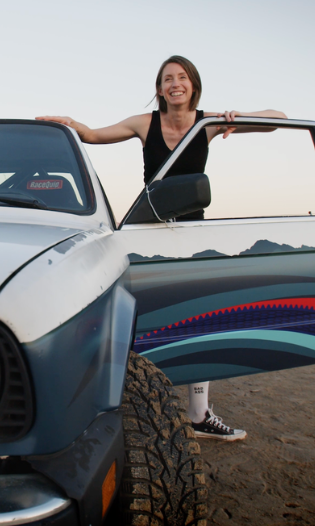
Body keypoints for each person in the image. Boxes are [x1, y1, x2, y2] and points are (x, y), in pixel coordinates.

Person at [37, 55, 286, 441]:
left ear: (193, 85)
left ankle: (199, 414)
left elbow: (278, 119)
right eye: (168, 79)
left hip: (193, 235)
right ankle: (118, 404)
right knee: (141, 316)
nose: (175, 84)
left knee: (200, 318)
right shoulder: (145, 123)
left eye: (182, 77)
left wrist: (238, 115)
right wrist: (72, 124)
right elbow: (94, 135)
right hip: (148, 232)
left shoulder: (208, 122)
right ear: (159, 89)